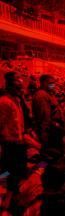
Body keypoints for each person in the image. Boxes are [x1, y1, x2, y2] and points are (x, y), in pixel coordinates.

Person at [0, 72, 28, 206]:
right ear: (10, 87)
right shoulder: (4, 102)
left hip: (19, 142)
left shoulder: (17, 101)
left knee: (18, 171)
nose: (21, 91)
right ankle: (5, 198)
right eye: (18, 88)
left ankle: (15, 196)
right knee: (7, 171)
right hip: (9, 143)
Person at [32, 74, 58, 145]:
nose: (52, 85)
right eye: (50, 83)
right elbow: (44, 115)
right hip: (46, 130)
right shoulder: (41, 95)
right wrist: (45, 131)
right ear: (43, 83)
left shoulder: (48, 94)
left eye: (53, 83)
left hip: (51, 128)